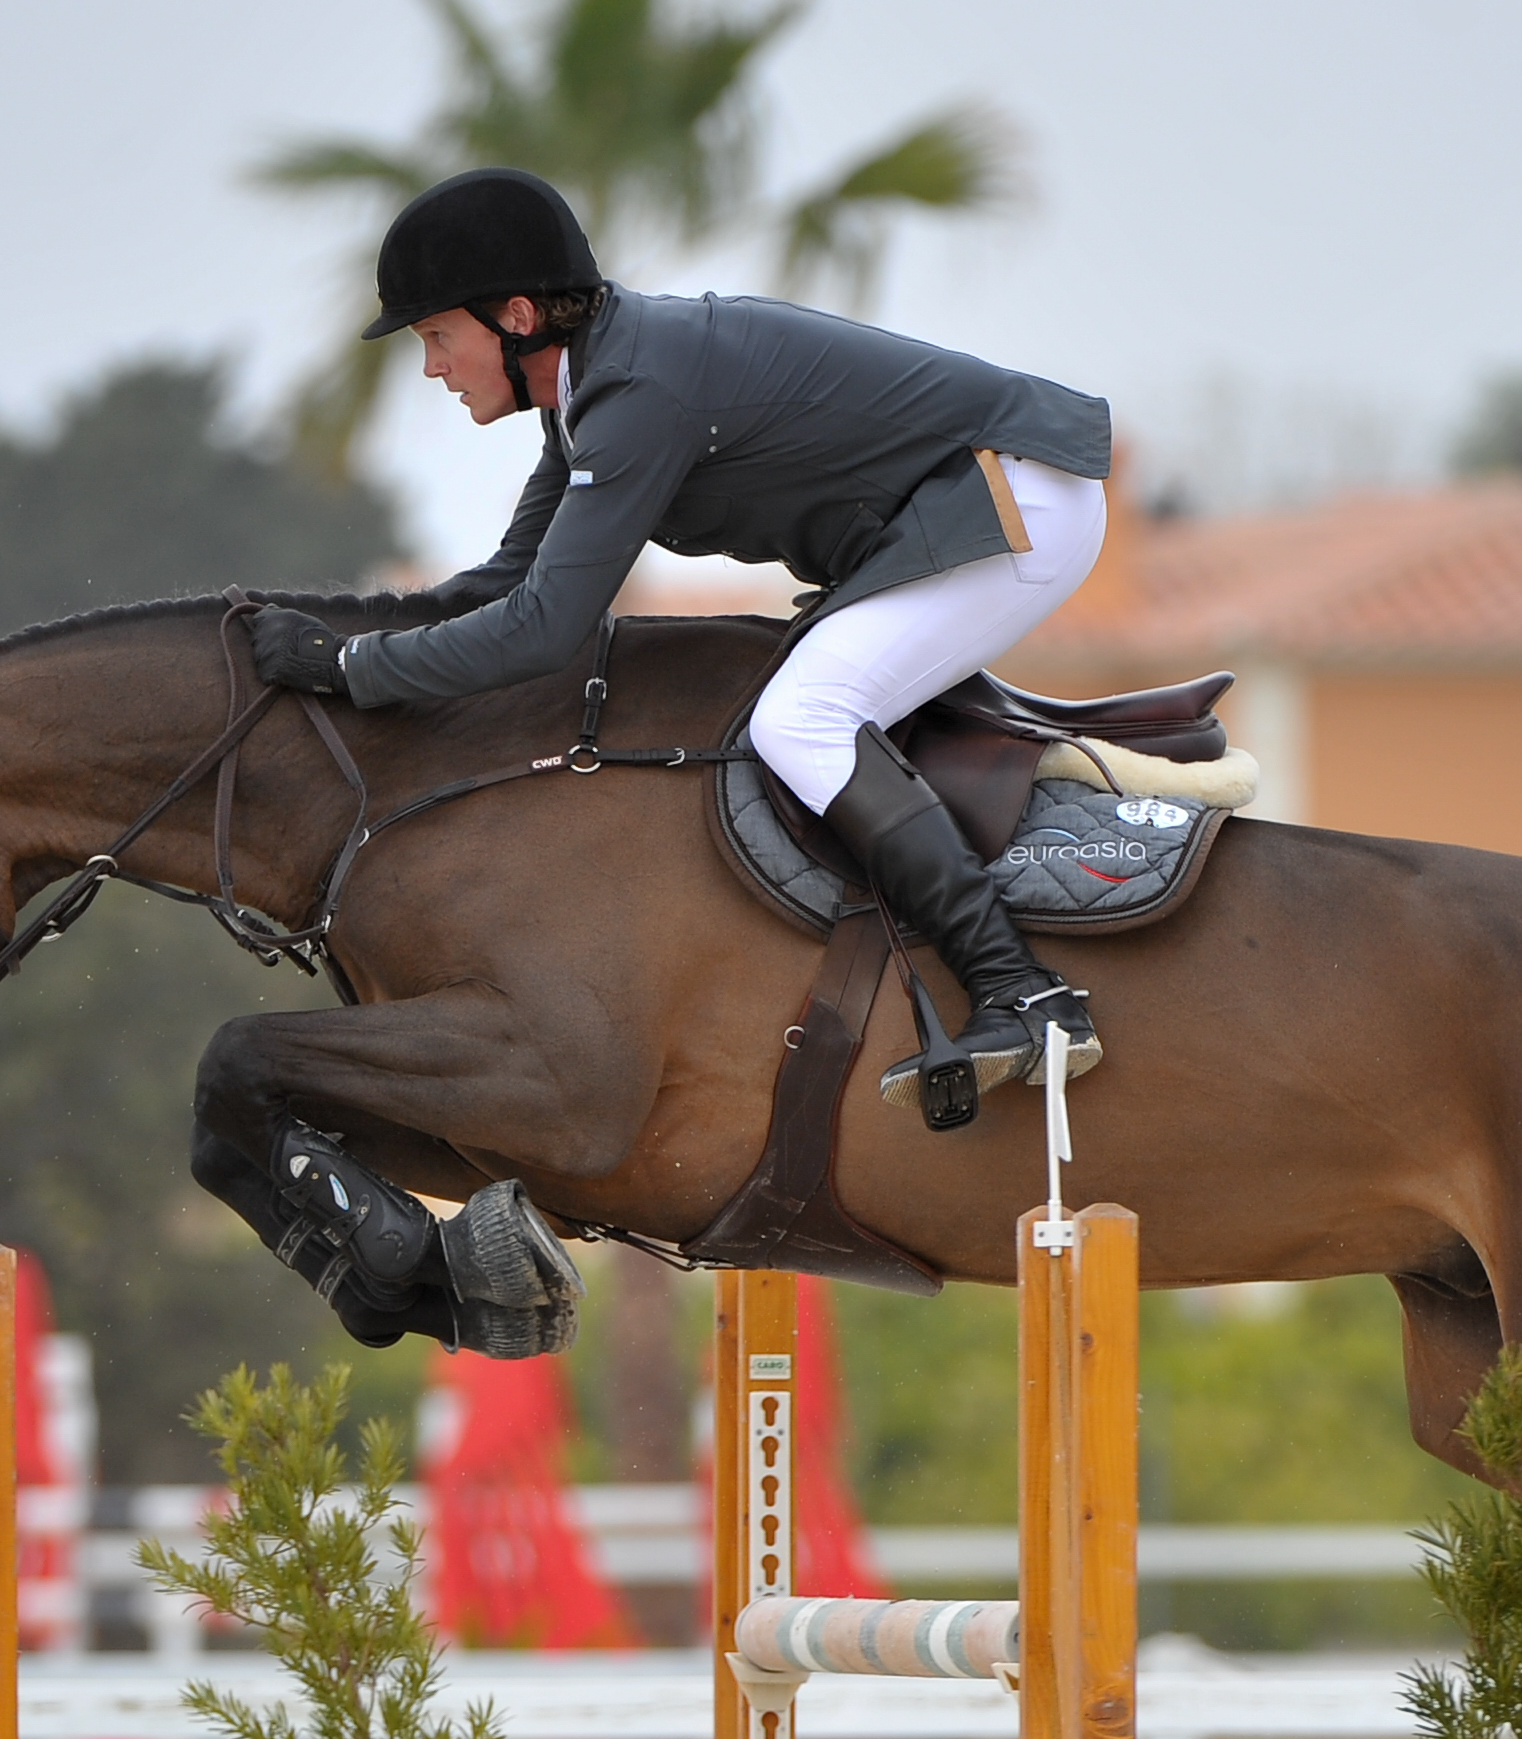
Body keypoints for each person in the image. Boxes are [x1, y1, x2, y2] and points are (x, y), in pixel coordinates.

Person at [247, 167, 1116, 1123]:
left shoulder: (636, 392)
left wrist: (347, 672)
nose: (432, 367)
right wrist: (345, 638)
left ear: (519, 317)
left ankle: (1026, 995)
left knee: (802, 718)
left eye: (437, 337)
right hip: (971, 503)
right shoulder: (592, 390)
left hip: (1015, 501)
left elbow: (544, 631)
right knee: (801, 707)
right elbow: (500, 586)